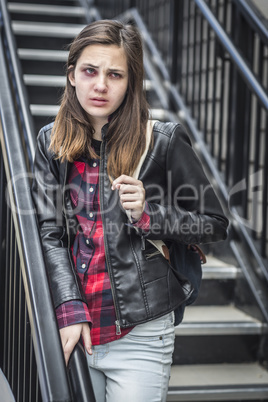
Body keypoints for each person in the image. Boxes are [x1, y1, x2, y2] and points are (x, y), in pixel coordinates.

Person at [32, 19, 228, 402]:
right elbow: (49, 233)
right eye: (90, 71)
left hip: (142, 335)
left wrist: (149, 215)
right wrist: (69, 308)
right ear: (72, 75)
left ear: (131, 83)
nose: (101, 84)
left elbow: (215, 224)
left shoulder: (162, 141)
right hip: (76, 328)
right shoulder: (51, 143)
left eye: (115, 74)